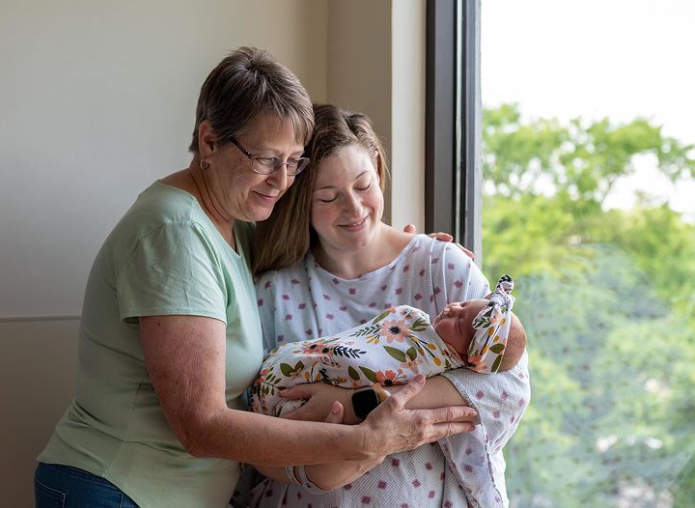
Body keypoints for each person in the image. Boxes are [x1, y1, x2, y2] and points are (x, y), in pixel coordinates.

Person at [34, 48, 478, 508]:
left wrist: (409, 249)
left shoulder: (234, 223)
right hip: (117, 490)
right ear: (209, 143)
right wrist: (364, 442)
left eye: (294, 162)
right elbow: (201, 426)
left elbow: (323, 232)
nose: (282, 181)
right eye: (266, 160)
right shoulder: (176, 234)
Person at [249, 104, 531, 507]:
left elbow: (506, 388)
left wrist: (359, 406)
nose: (354, 209)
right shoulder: (274, 294)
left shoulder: (443, 267)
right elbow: (249, 438)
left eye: (363, 185)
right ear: (300, 201)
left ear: (378, 169)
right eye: (328, 197)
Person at [252, 274, 527, 418]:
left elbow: (373, 366)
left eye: (459, 322)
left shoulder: (430, 365)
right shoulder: (418, 324)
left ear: (466, 356)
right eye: (463, 304)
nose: (453, 308)